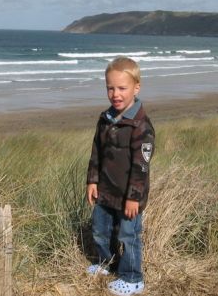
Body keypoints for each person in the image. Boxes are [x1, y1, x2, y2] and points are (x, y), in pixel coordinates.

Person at [86, 56, 155, 296]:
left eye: (122, 88)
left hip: (129, 197)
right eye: (110, 88)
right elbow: (97, 152)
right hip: (105, 190)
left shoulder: (141, 126)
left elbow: (141, 167)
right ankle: (107, 263)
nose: (115, 93)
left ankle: (133, 277)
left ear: (136, 87)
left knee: (128, 235)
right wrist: (92, 180)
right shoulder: (105, 119)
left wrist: (134, 197)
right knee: (100, 230)